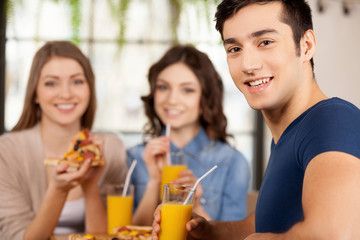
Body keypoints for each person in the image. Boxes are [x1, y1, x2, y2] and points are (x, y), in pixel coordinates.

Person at [152, 1, 360, 239]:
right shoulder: (288, 136)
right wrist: (208, 231)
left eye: (266, 42)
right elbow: (266, 225)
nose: (248, 65)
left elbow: (334, 234)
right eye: (234, 49)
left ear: (306, 45)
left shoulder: (332, 120)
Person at [0, 41, 128, 240]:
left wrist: (90, 185)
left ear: (90, 89)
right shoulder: (8, 151)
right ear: (35, 93)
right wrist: (58, 191)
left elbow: (111, 236)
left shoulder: (111, 149)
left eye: (77, 81)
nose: (66, 93)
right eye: (51, 83)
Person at [127, 45, 250, 226]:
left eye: (187, 90)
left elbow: (235, 236)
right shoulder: (136, 157)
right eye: (163, 87)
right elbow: (128, 233)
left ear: (205, 98)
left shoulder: (232, 162)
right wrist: (154, 182)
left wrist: (196, 206)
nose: (172, 100)